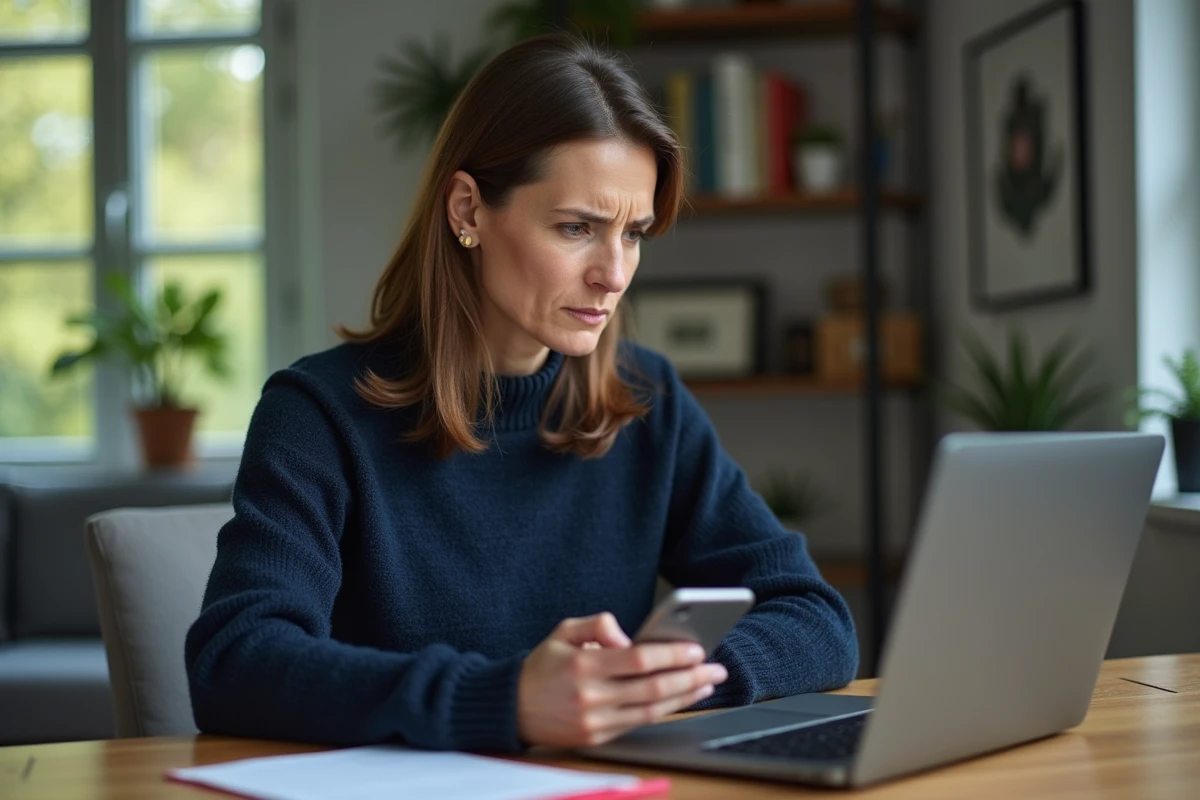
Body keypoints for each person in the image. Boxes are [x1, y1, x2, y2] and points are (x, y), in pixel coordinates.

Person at [185, 33, 858, 753]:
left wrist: (651, 687)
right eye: (576, 228)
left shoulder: (646, 397)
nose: (614, 274)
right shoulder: (316, 415)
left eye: (633, 234)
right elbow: (236, 662)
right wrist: (506, 701)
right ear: (468, 211)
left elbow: (816, 617)